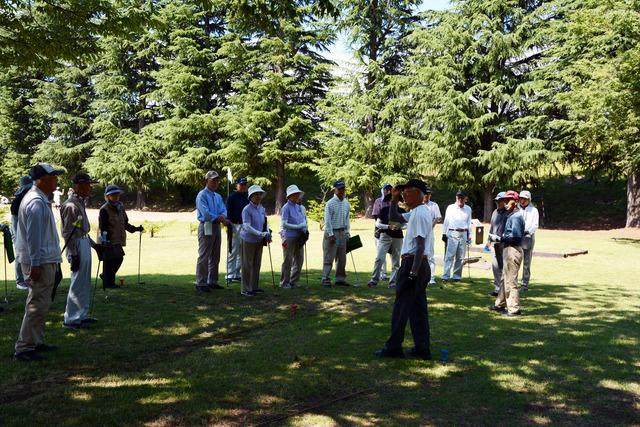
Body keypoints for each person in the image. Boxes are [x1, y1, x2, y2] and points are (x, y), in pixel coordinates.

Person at [375, 179, 433, 360]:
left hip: (414, 263)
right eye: (404, 192)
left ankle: (393, 347)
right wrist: (393, 199)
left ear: (419, 194)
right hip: (417, 264)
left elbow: (421, 245)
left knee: (401, 307)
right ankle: (422, 348)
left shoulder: (421, 214)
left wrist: (412, 273)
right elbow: (396, 220)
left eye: (408, 192)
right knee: (417, 309)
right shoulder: (416, 212)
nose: (404, 195)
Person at [13, 163, 64, 361]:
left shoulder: (40, 200)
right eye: (53, 177)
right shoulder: (35, 202)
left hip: (43, 260)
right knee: (36, 304)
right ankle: (25, 347)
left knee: (41, 304)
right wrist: (35, 264)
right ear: (41, 180)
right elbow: (34, 238)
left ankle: (35, 341)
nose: (56, 180)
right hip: (39, 262)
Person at [61, 172, 100, 330]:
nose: (90, 188)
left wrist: (94, 245)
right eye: (87, 185)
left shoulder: (80, 202)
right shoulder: (70, 205)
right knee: (77, 283)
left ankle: (81, 315)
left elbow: (81, 230)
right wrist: (73, 254)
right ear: (78, 186)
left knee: (84, 282)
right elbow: (68, 232)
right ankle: (71, 319)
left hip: (83, 241)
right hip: (76, 245)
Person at [98, 185, 144, 290]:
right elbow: (103, 227)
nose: (116, 196)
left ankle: (107, 278)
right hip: (108, 239)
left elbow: (125, 223)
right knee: (112, 260)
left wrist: (136, 229)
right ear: (107, 196)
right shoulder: (104, 209)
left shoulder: (120, 207)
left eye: (117, 194)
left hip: (117, 239)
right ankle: (109, 282)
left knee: (116, 259)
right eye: (113, 194)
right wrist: (106, 241)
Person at [488, 190, 525, 317]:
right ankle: (499, 304)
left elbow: (515, 237)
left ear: (515, 202)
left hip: (512, 250)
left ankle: (514, 309)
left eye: (508, 200)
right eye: (504, 200)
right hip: (509, 249)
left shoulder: (516, 217)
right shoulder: (512, 215)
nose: (505, 203)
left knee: (510, 281)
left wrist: (499, 238)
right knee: (505, 279)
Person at [195, 171, 229, 293]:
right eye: (213, 180)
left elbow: (223, 210)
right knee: (204, 254)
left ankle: (212, 281)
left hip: (216, 226)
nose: (215, 182)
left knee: (215, 255)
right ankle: (201, 282)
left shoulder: (217, 196)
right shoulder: (202, 195)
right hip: (206, 225)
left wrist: (222, 217)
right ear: (206, 180)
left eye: (217, 180)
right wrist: (218, 217)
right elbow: (205, 213)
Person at [368, 190, 404, 288]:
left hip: (398, 237)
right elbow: (378, 224)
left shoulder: (401, 211)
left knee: (396, 261)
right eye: (392, 199)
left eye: (396, 199)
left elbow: (406, 224)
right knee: (379, 258)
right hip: (385, 236)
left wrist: (399, 226)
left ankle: (393, 283)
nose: (394, 201)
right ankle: (374, 280)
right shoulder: (384, 210)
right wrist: (388, 226)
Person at [240, 184, 271, 296]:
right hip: (248, 240)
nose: (258, 196)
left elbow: (265, 223)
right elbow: (246, 226)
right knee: (247, 264)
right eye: (255, 194)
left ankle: (254, 287)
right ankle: (245, 289)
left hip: (259, 239)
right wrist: (260, 233)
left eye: (259, 194)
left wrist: (267, 232)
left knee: (256, 264)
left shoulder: (262, 208)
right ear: (251, 196)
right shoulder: (246, 209)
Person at [322, 180, 351, 287]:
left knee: (341, 257)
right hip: (332, 232)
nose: (341, 190)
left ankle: (340, 279)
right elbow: (327, 220)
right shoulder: (330, 203)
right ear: (335, 189)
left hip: (342, 232)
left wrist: (347, 232)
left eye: (343, 188)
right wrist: (330, 234)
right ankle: (325, 279)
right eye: (339, 189)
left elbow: (347, 219)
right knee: (329, 256)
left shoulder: (346, 203)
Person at [280, 185, 308, 289]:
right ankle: (284, 282)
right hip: (289, 236)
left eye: (297, 194)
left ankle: (294, 281)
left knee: (299, 259)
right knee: (288, 260)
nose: (297, 196)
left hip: (299, 236)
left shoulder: (298, 207)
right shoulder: (286, 207)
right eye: (294, 194)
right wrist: (298, 226)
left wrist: (304, 227)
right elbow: (284, 223)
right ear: (289, 196)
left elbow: (302, 219)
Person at [441, 190, 472, 282]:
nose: (460, 199)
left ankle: (456, 277)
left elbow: (469, 222)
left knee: (460, 256)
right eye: (458, 197)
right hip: (452, 232)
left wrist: (470, 235)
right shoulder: (450, 207)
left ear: (465, 198)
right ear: (456, 198)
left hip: (463, 233)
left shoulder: (468, 209)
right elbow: (446, 221)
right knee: (449, 255)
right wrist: (444, 233)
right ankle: (445, 276)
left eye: (462, 197)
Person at [10, 175, 33, 290]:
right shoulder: (18, 201)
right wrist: (19, 237)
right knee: (20, 252)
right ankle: (20, 280)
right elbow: (15, 221)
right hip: (17, 229)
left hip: (23, 229)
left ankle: (26, 278)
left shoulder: (27, 198)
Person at [226, 177, 249, 283]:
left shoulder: (248, 197)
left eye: (245, 184)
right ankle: (230, 275)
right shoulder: (231, 197)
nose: (243, 186)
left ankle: (237, 274)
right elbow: (228, 213)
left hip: (245, 226)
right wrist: (229, 225)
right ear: (236, 185)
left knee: (243, 251)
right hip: (234, 226)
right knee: (233, 251)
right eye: (241, 184)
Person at [487, 192, 509, 297]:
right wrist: (489, 240)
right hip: (494, 243)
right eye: (496, 201)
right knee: (495, 266)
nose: (498, 203)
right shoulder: (495, 212)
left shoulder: (508, 213)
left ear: (505, 201)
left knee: (503, 266)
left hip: (504, 243)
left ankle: (504, 289)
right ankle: (497, 288)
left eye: (500, 201)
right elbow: (492, 227)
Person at [518, 190, 539, 291]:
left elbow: (535, 225)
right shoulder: (516, 209)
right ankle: (513, 282)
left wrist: (528, 232)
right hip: (517, 236)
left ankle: (524, 283)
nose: (522, 200)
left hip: (528, 237)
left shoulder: (534, 210)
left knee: (527, 261)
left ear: (529, 199)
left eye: (525, 199)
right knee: (515, 259)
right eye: (521, 198)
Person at [372, 184, 392, 281]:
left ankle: (393, 274)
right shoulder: (378, 201)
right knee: (381, 254)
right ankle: (382, 273)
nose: (388, 191)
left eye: (389, 190)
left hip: (392, 232)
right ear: (382, 190)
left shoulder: (393, 202)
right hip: (380, 231)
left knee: (393, 254)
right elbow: (376, 216)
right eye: (386, 189)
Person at [423, 188, 441, 285]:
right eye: (425, 194)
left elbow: (438, 217)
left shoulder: (434, 205)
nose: (427, 195)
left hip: (429, 233)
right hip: (419, 233)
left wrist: (431, 226)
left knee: (430, 255)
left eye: (429, 194)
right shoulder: (418, 204)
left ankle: (432, 277)